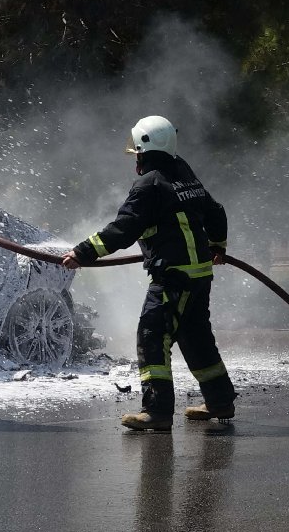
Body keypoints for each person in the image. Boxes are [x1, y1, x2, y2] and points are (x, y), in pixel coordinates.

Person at [61, 115, 236, 431]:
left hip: (173, 277)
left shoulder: (148, 185)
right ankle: (220, 401)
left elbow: (122, 230)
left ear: (145, 149)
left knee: (152, 336)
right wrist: (217, 247)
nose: (135, 159)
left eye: (137, 153)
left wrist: (82, 253)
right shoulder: (182, 171)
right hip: (198, 275)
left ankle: (156, 411)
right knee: (196, 338)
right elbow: (216, 211)